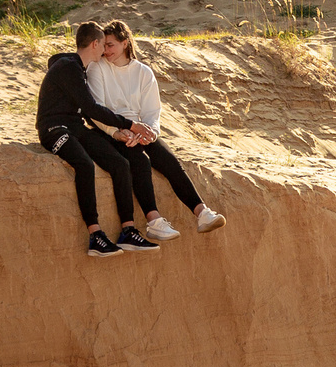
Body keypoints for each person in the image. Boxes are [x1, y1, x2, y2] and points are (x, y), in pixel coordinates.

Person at [85, 20, 224, 241]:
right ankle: (154, 221)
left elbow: (152, 112)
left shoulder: (143, 72)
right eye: (104, 45)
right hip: (111, 129)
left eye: (110, 45)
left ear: (125, 43)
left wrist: (150, 133)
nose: (106, 50)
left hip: (138, 128)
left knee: (167, 158)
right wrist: (120, 131)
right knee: (140, 161)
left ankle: (202, 212)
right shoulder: (97, 68)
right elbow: (97, 109)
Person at [36, 21, 162, 258]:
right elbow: (91, 108)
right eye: (103, 45)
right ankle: (95, 235)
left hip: (74, 127)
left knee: (120, 163)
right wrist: (130, 124)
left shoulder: (78, 68)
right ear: (94, 44)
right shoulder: (68, 67)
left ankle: (128, 231)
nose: (105, 50)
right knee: (84, 164)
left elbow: (86, 112)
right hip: (53, 129)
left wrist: (117, 133)